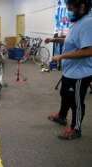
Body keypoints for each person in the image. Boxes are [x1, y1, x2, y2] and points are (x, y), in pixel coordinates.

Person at [45, 0, 92, 140]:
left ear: (82, 7)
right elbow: (71, 40)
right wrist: (54, 40)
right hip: (69, 71)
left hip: (80, 73)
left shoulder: (87, 23)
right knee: (64, 94)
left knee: (76, 101)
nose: (69, 12)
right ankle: (61, 116)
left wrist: (62, 56)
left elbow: (89, 50)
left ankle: (76, 129)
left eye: (71, 9)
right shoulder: (78, 21)